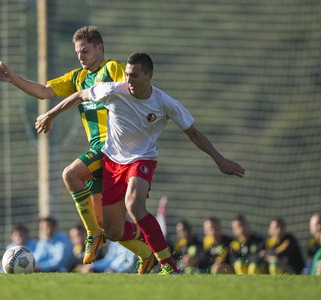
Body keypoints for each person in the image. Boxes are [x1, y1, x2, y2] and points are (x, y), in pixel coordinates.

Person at [35, 52, 245, 275]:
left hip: (142, 160)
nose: (129, 80)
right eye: (127, 75)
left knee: (135, 205)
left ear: (149, 75)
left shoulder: (165, 103)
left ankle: (168, 265)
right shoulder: (114, 90)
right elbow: (79, 96)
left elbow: (193, 133)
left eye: (134, 76)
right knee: (113, 231)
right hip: (112, 162)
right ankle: (144, 250)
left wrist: (219, 159)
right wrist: (50, 114)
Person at [0, 26, 152, 268]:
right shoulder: (77, 77)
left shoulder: (112, 68)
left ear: (100, 48)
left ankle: (93, 235)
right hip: (99, 150)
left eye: (85, 51)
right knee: (111, 227)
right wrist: (12, 78)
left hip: (113, 147)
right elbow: (43, 91)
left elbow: (131, 91)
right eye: (77, 52)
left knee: (70, 174)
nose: (80, 56)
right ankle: (148, 254)